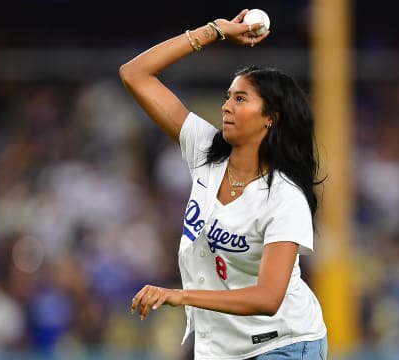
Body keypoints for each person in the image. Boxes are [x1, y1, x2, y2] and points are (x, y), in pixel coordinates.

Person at [120, 9, 327, 359]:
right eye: (228, 97)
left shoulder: (284, 197)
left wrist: (179, 295)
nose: (226, 106)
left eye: (241, 99)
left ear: (270, 119)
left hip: (285, 344)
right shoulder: (206, 151)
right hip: (222, 349)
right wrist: (214, 31)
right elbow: (134, 74)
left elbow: (268, 298)